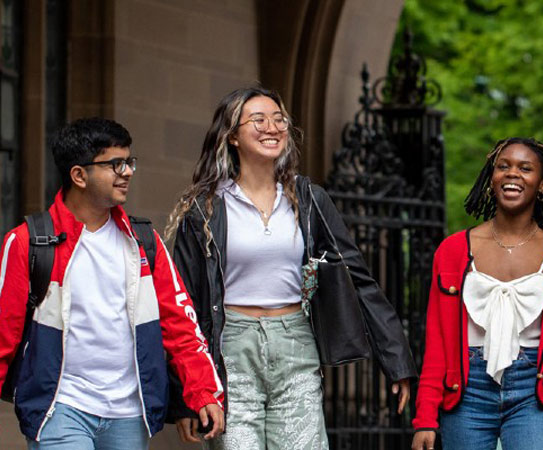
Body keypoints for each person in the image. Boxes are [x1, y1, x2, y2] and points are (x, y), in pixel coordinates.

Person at [163, 86, 417, 449]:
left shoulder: (309, 200)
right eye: (259, 119)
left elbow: (358, 279)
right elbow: (182, 305)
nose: (272, 127)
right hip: (231, 348)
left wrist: (396, 360)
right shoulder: (206, 209)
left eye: (279, 119)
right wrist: (184, 396)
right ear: (232, 136)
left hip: (295, 341)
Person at [0, 118, 225, 450]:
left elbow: (181, 326)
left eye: (129, 162)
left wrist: (202, 391)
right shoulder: (29, 243)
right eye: (115, 164)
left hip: (129, 415)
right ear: (79, 175)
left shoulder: (144, 242)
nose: (127, 172)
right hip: (60, 410)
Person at [412, 138, 543, 450]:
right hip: (466, 391)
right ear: (491, 179)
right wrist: (425, 417)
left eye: (525, 168)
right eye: (503, 166)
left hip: (535, 391)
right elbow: (437, 339)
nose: (512, 174)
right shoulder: (452, 251)